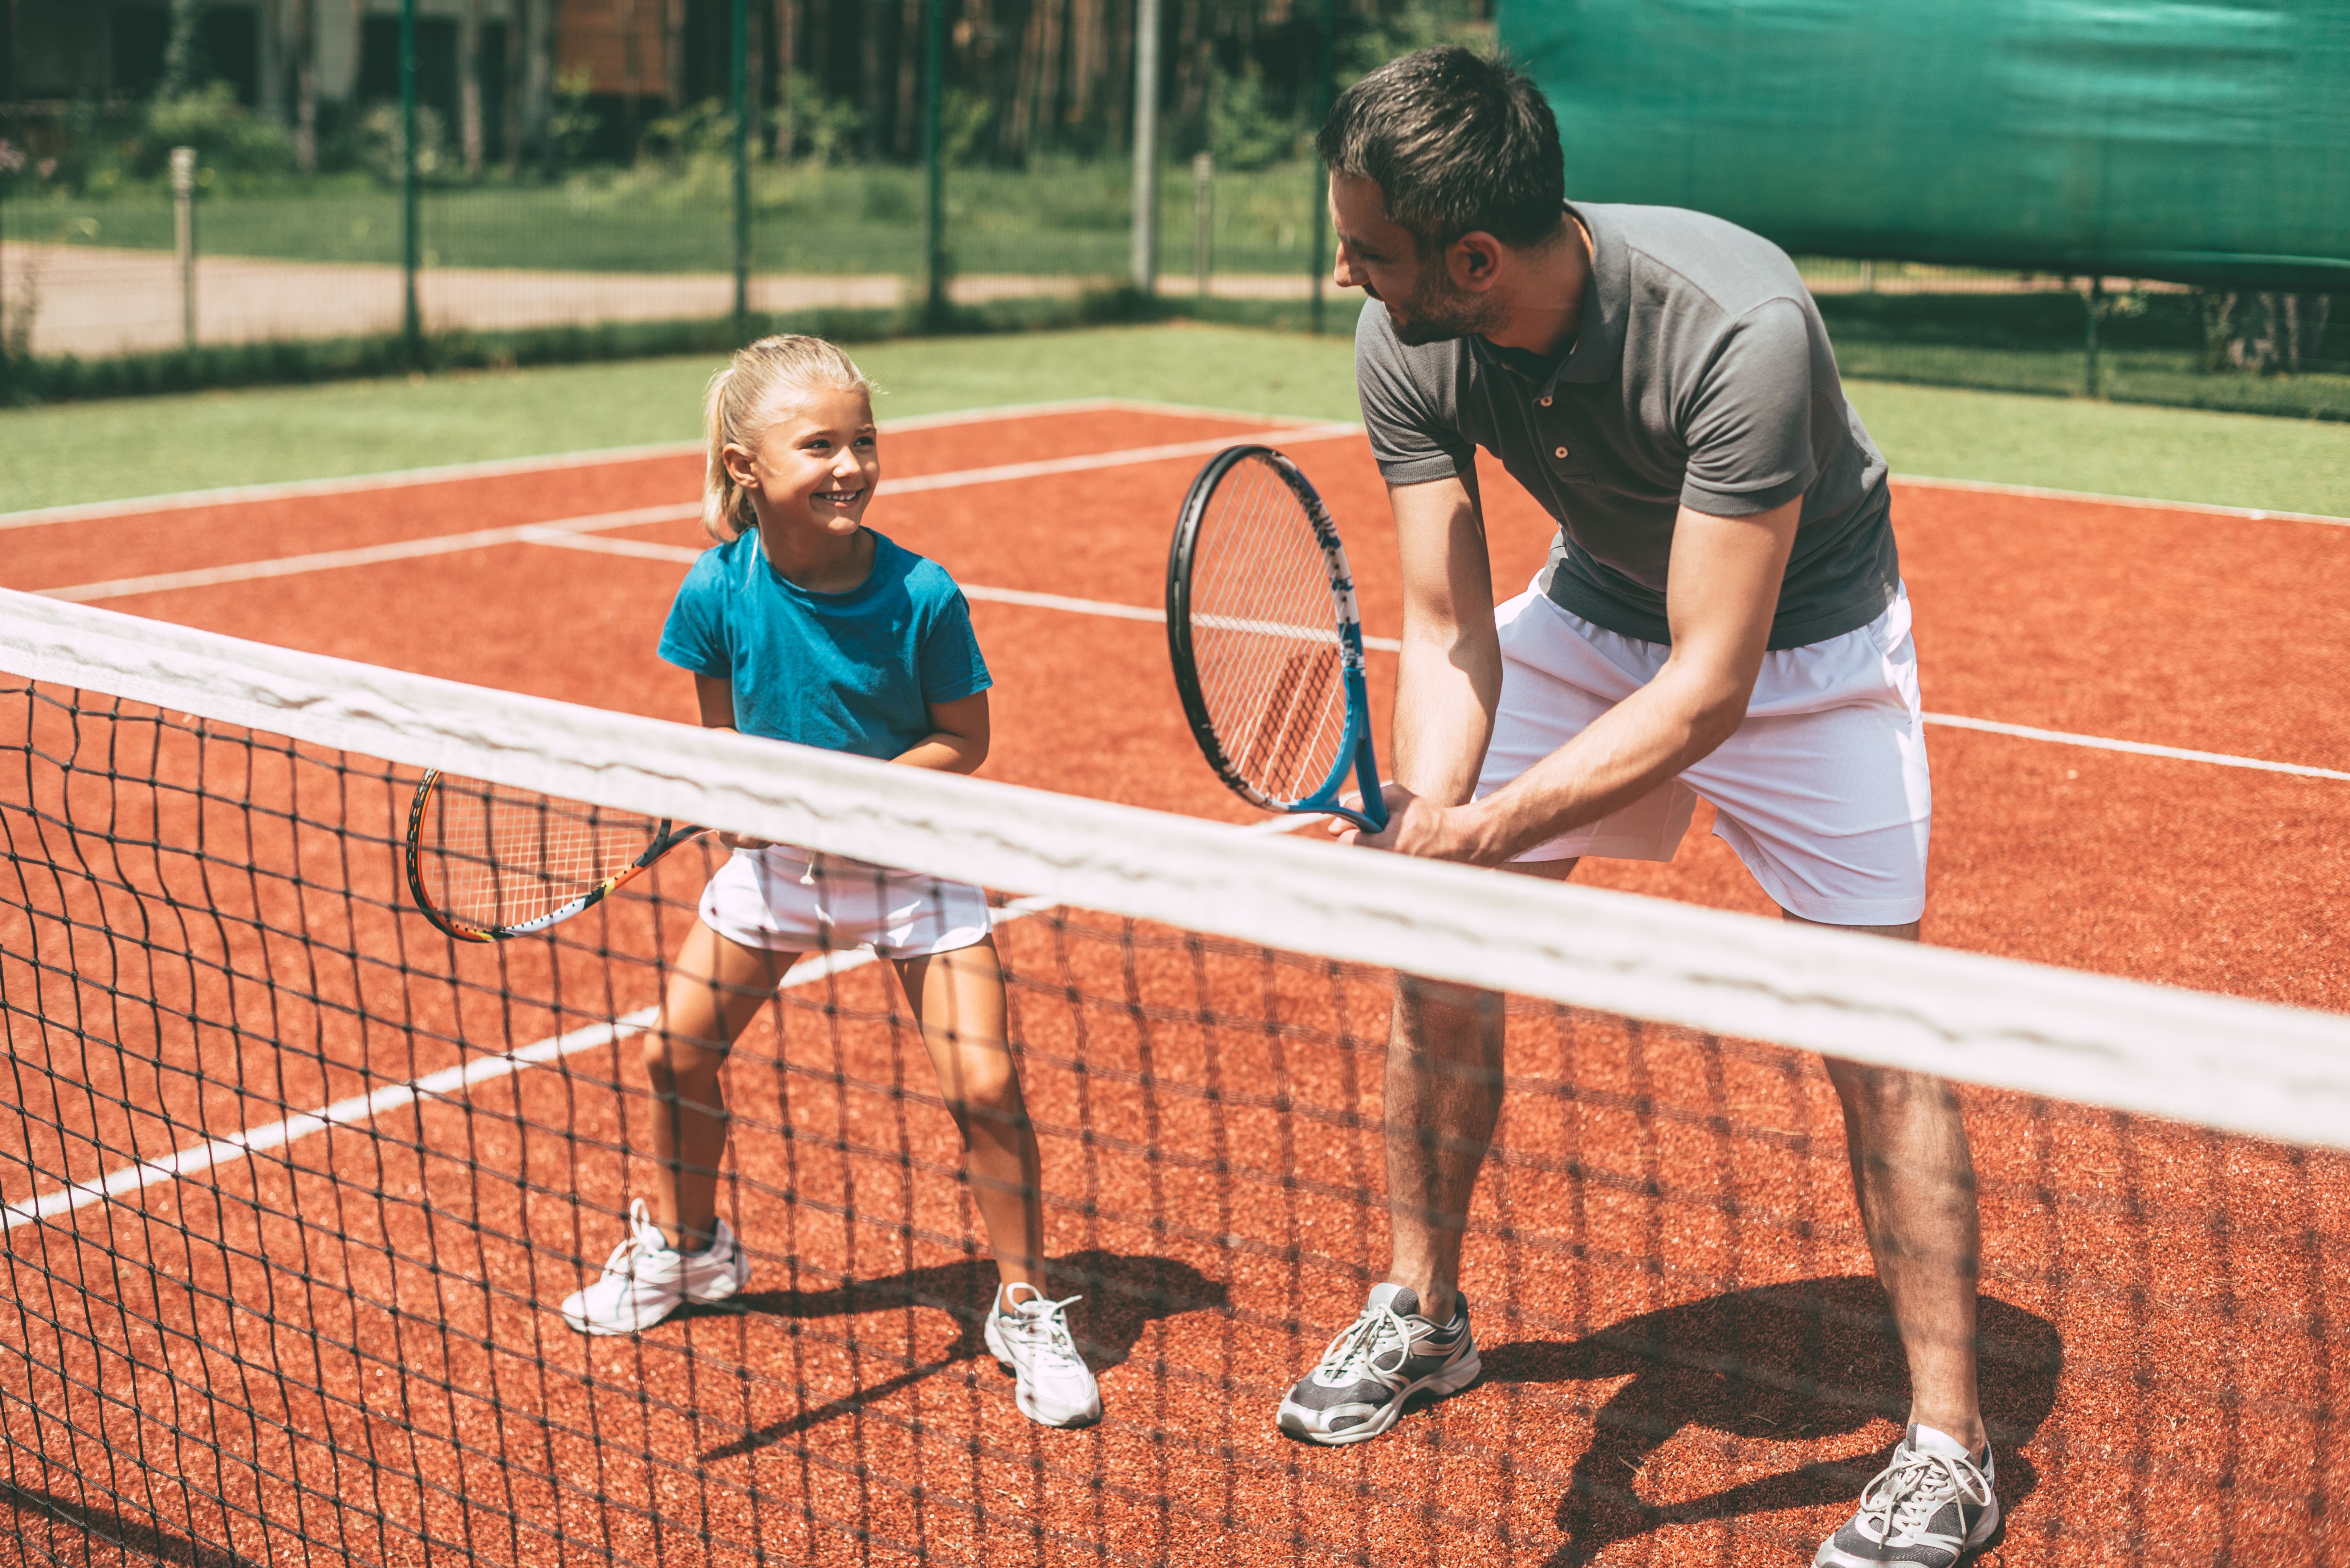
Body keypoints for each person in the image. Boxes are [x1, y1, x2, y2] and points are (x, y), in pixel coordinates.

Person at [1275, 48, 1998, 1568]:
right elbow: (1451, 628)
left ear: (1473, 260)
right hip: (1589, 611)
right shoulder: (1400, 336)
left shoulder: (1741, 329)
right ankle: (1424, 1311)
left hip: (1799, 650)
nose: (1345, 269)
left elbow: (1710, 685)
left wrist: (1480, 825)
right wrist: (1434, 814)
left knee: (1879, 1035)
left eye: (1371, 248)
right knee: (1443, 952)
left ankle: (1948, 1442)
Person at [557, 334, 1101, 1432]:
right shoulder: (713, 591)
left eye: (863, 440)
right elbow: (728, 749)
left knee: (986, 1089)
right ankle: (688, 1248)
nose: (851, 463)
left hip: (909, 868)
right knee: (676, 1055)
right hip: (779, 873)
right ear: (745, 465)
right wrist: (745, 798)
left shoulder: (921, 594)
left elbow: (965, 740)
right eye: (820, 445)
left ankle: (1025, 1303)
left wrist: (856, 797)